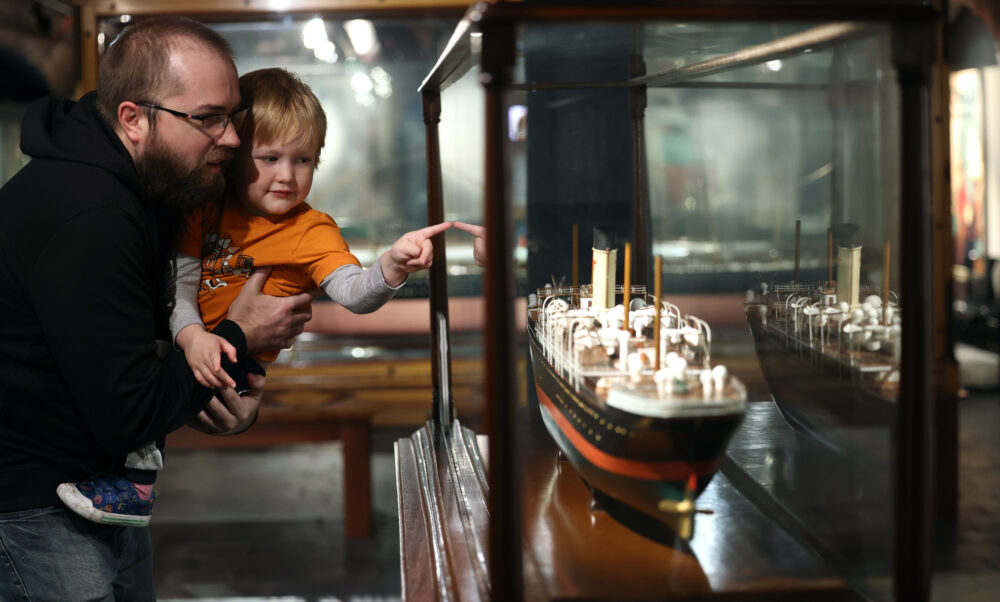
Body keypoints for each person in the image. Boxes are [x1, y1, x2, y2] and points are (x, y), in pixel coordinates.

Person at [0, 17, 312, 600]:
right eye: (208, 119)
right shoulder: (91, 216)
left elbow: (123, 363)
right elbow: (129, 405)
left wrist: (218, 390)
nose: (233, 138)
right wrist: (238, 335)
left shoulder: (151, 182)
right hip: (35, 509)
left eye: (233, 116)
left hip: (103, 493)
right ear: (133, 118)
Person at [56, 66, 451, 526]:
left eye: (303, 160)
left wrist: (391, 266)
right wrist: (190, 338)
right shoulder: (204, 207)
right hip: (189, 341)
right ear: (236, 155)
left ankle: (134, 488)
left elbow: (354, 293)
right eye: (270, 158)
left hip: (237, 364)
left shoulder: (311, 229)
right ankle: (115, 474)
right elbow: (179, 285)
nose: (287, 175)